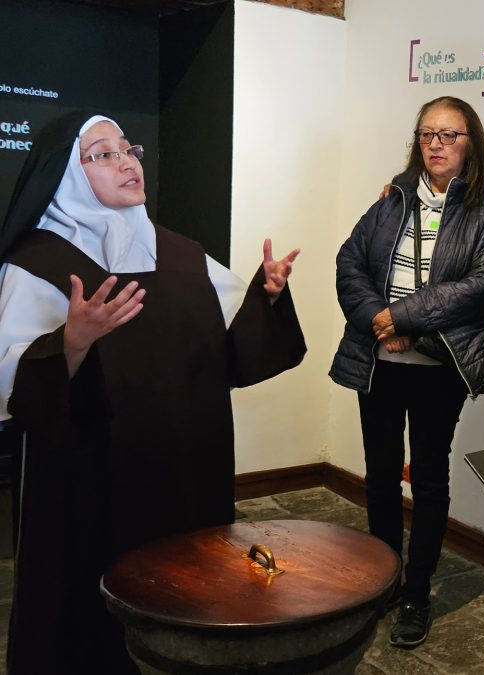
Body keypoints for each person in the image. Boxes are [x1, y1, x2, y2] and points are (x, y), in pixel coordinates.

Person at [0, 112, 306, 673]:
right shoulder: (36, 264)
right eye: (103, 154)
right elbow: (12, 383)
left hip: (186, 475)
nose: (127, 162)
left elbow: (236, 346)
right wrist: (72, 342)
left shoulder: (183, 255)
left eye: (128, 149)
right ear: (68, 172)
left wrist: (267, 296)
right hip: (94, 489)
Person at [331, 96, 484, 648]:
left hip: (437, 366)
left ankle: (416, 595)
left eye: (450, 135)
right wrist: (379, 322)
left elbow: (479, 286)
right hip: (377, 362)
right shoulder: (394, 197)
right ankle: (383, 582)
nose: (437, 144)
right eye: (428, 133)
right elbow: (349, 261)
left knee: (428, 479)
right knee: (380, 476)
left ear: (470, 143)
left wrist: (404, 320)